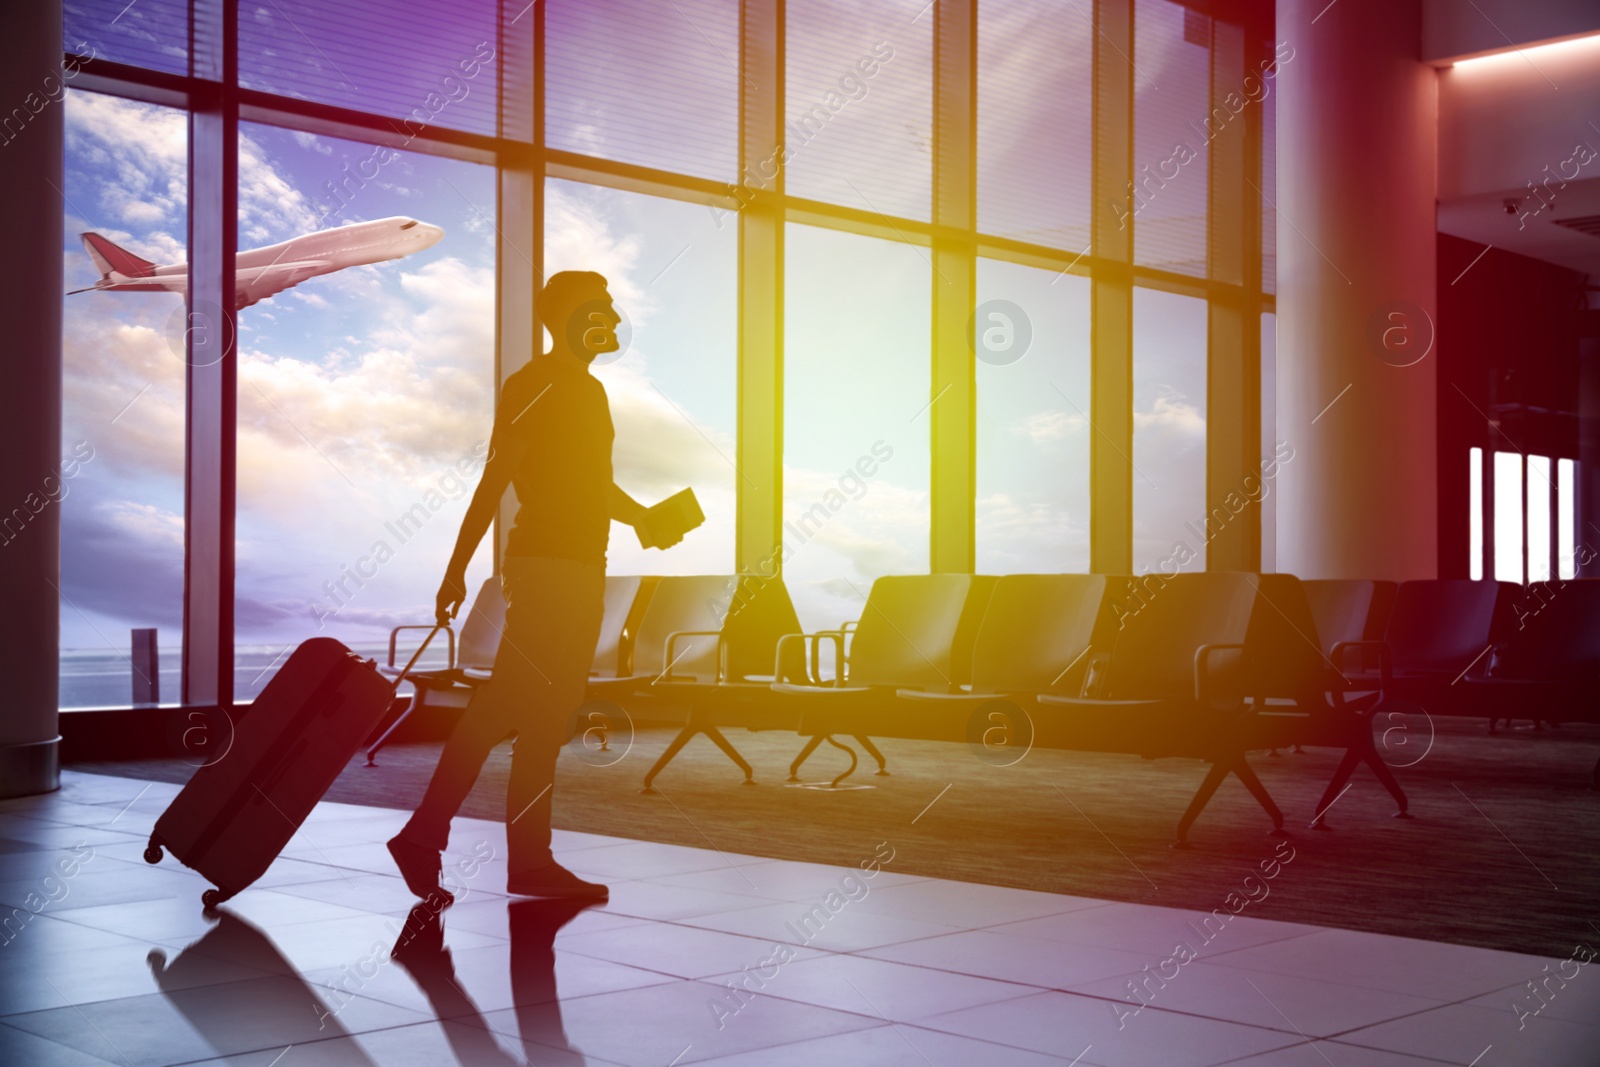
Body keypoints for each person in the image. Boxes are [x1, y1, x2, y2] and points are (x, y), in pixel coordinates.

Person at [388, 270, 678, 903]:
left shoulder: (590, 393)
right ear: (566, 319)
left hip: (582, 566)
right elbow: (496, 479)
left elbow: (593, 485)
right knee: (508, 705)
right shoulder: (533, 384)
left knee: (547, 716)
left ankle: (525, 862)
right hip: (545, 566)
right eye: (599, 308)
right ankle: (427, 834)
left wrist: (646, 519)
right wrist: (456, 566)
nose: (613, 317)